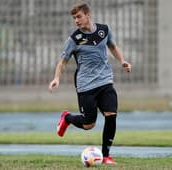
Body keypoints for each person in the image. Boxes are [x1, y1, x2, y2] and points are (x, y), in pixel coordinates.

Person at [48, 2, 131, 164]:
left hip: (105, 81)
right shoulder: (74, 39)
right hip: (86, 86)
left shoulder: (104, 30)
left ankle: (106, 156)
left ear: (88, 15)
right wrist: (56, 78)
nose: (76, 21)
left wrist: (122, 61)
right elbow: (62, 62)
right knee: (88, 125)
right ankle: (67, 118)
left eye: (78, 17)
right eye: (74, 18)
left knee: (111, 115)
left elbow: (112, 46)